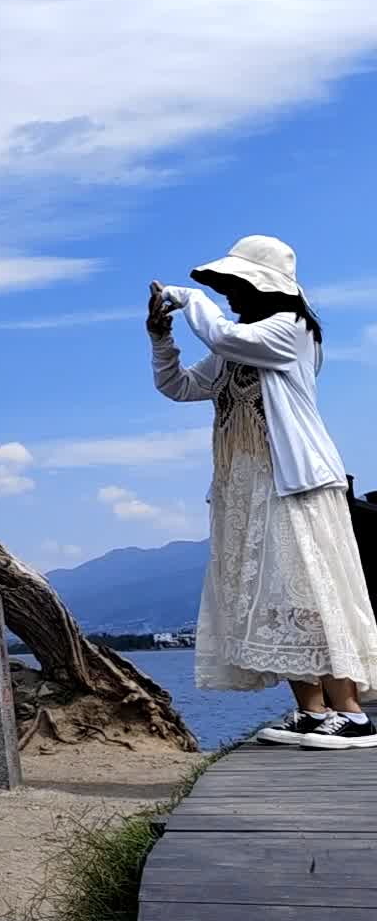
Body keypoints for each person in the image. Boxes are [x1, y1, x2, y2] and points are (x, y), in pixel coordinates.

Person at [149, 234, 377, 750]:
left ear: (263, 286)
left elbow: (224, 337)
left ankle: (350, 711)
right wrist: (161, 339)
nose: (229, 292)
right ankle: (312, 710)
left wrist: (190, 298)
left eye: (235, 283)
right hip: (245, 486)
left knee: (311, 589)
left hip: (292, 480)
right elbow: (180, 386)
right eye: (224, 285)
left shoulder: (290, 330)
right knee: (272, 597)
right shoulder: (237, 343)